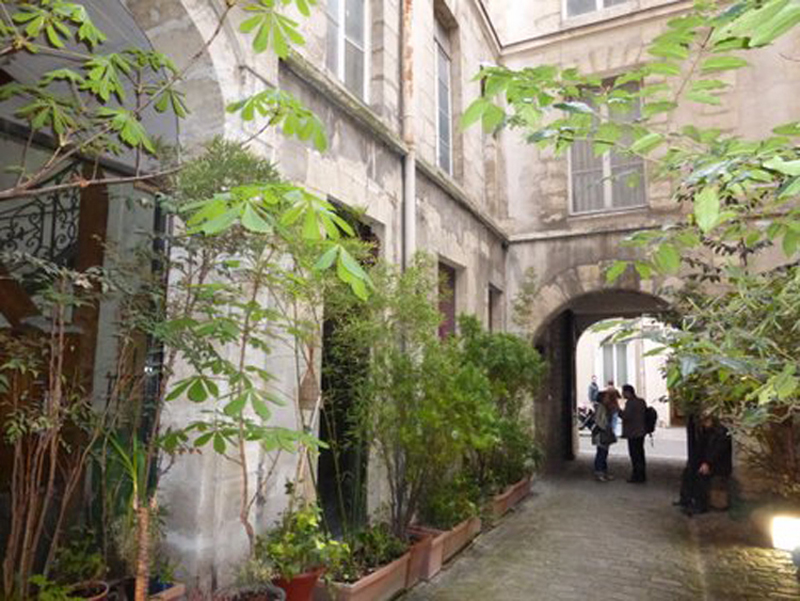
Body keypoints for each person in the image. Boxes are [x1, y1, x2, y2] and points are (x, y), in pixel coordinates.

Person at [676, 413, 732, 515]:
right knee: (688, 472)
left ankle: (700, 504)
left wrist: (707, 463)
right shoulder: (707, 432)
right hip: (707, 461)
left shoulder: (721, 433)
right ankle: (686, 499)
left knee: (701, 477)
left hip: (718, 464)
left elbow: (717, 451)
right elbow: (701, 448)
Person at [620, 384, 647, 483]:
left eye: (623, 392)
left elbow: (626, 416)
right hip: (641, 431)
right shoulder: (641, 401)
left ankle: (637, 476)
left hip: (633, 432)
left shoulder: (630, 403)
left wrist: (618, 411)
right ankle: (642, 475)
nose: (622, 394)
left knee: (635, 455)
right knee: (640, 454)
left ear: (628, 392)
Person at [591, 391, 617, 482]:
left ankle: (604, 472)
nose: (608, 399)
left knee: (604, 453)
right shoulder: (600, 407)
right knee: (601, 453)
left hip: (604, 433)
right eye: (606, 397)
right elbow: (598, 420)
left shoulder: (605, 407)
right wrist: (605, 428)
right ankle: (599, 473)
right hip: (601, 433)